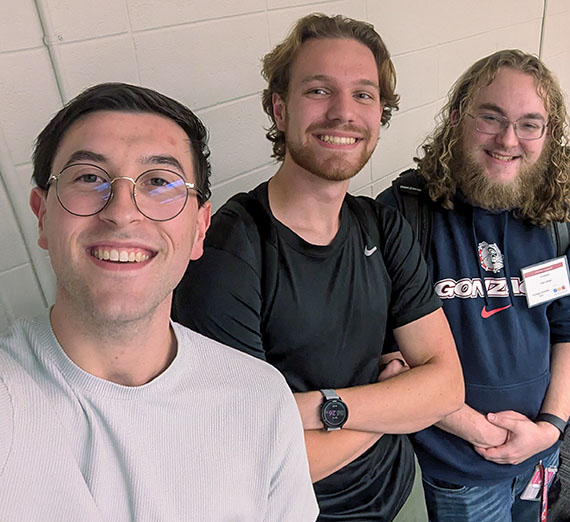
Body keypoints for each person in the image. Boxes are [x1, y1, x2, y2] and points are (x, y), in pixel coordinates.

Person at [174, 13, 464, 521]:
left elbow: (447, 387)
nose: (342, 112)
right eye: (318, 90)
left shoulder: (382, 226)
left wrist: (314, 410)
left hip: (400, 491)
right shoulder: (231, 250)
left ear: (380, 114)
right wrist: (390, 403)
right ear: (279, 109)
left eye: (363, 95)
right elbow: (256, 456)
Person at [0, 82, 318, 521]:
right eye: (90, 177)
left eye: (159, 182)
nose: (122, 211)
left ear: (200, 229)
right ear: (42, 215)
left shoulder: (260, 398)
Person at [378, 49, 570, 522]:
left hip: (540, 458)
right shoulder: (405, 214)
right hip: (458, 469)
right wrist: (484, 436)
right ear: (456, 117)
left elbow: (566, 332)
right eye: (491, 117)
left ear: (548, 136)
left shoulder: (552, 218)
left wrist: (550, 428)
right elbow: (386, 364)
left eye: (529, 124)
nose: (509, 139)